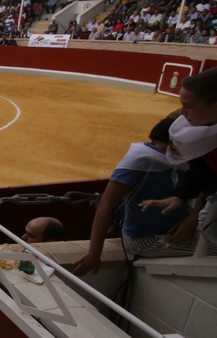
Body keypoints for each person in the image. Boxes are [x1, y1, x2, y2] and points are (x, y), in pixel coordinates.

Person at [73, 118, 211, 276]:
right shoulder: (141, 160)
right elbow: (106, 205)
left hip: (173, 231)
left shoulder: (182, 161)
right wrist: (94, 253)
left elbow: (185, 197)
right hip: (146, 240)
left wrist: (192, 217)